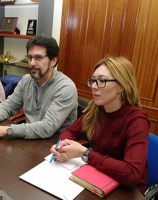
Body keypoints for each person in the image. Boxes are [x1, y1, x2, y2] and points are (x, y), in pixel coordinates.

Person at [50, 56, 150, 193]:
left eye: (102, 81)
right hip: (98, 176)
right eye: (93, 81)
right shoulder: (96, 109)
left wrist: (85, 153)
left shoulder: (137, 120)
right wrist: (62, 145)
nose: (94, 87)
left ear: (121, 86)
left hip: (125, 191)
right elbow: (71, 131)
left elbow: (131, 174)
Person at [0, 36, 78, 139]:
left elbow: (47, 128)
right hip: (30, 138)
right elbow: (9, 106)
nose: (32, 63)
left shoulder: (65, 88)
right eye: (30, 57)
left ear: (53, 61)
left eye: (38, 58)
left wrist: (7, 130)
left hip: (54, 145)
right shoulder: (26, 80)